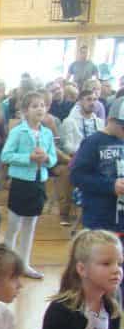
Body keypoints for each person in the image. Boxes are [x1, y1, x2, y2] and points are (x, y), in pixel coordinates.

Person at [0, 91, 55, 280]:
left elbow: (53, 158)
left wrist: (46, 158)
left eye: (42, 105)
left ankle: (24, 263)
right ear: (25, 110)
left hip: (38, 182)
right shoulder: (18, 131)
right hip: (21, 183)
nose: (39, 109)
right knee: (14, 225)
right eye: (34, 106)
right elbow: (6, 155)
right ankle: (7, 264)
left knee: (30, 225)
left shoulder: (47, 133)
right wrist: (28, 157)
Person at [71, 97, 124, 235]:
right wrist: (111, 185)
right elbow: (77, 176)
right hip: (99, 217)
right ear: (110, 120)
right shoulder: (92, 142)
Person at [56, 86, 104, 225]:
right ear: (80, 102)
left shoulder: (100, 122)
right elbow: (67, 146)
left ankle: (99, 211)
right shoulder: (69, 121)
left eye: (95, 99)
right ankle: (64, 213)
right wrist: (86, 153)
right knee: (67, 172)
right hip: (75, 158)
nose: (92, 102)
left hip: (98, 160)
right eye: (88, 99)